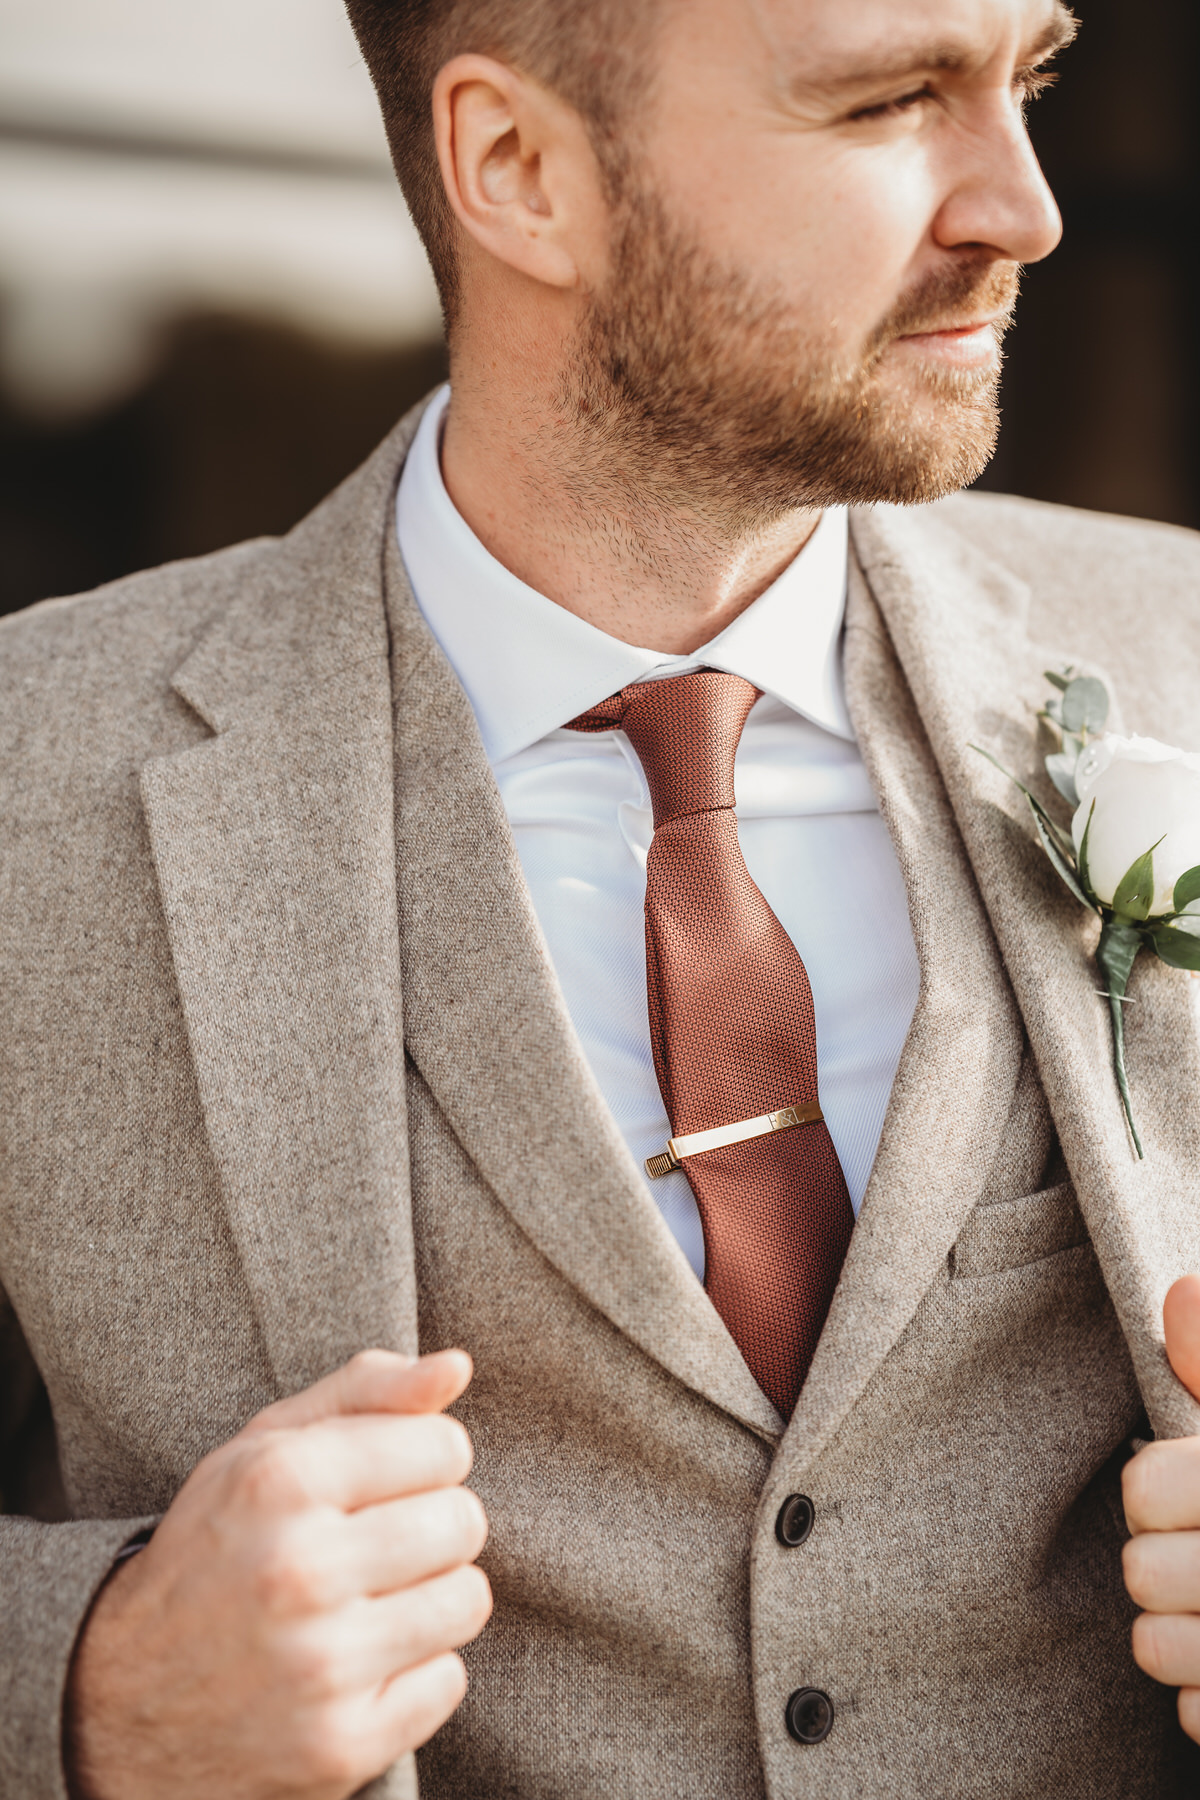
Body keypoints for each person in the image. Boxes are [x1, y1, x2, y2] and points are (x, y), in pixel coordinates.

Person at [3, 0, 1200, 1793]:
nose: (1022, 208)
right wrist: (94, 1683)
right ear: (518, 169)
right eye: (889, 101)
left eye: (1026, 82)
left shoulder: (1183, 655)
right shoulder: (33, 777)